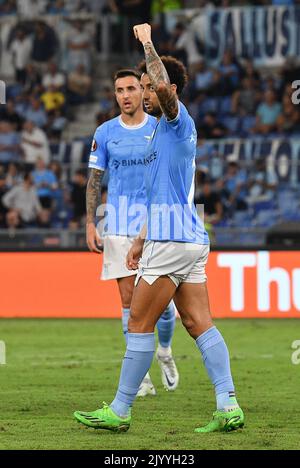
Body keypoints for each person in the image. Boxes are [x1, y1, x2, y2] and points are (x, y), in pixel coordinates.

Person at [74, 24, 244, 433]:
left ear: (165, 89)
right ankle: (228, 405)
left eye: (147, 87)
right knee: (198, 323)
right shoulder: (158, 137)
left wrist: (148, 42)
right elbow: (161, 194)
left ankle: (119, 410)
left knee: (137, 322)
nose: (144, 93)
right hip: (184, 237)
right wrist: (139, 238)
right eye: (141, 88)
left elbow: (167, 91)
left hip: (172, 240)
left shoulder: (176, 120)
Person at [83, 68, 179, 396]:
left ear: (143, 92)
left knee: (163, 304)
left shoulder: (160, 128)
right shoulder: (106, 132)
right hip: (119, 225)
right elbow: (95, 180)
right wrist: (90, 223)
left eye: (131, 89)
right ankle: (142, 377)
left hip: (156, 224)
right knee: (128, 301)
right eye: (119, 90)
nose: (125, 95)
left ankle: (165, 350)